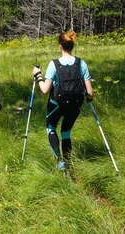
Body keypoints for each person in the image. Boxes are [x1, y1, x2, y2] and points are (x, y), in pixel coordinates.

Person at [32, 31, 94, 171]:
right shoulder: (81, 64)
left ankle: (59, 162)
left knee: (51, 127)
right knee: (66, 131)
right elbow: (90, 92)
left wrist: (38, 75)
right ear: (72, 45)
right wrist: (90, 98)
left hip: (57, 104)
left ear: (60, 46)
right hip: (75, 105)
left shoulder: (54, 64)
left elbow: (44, 90)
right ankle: (68, 163)